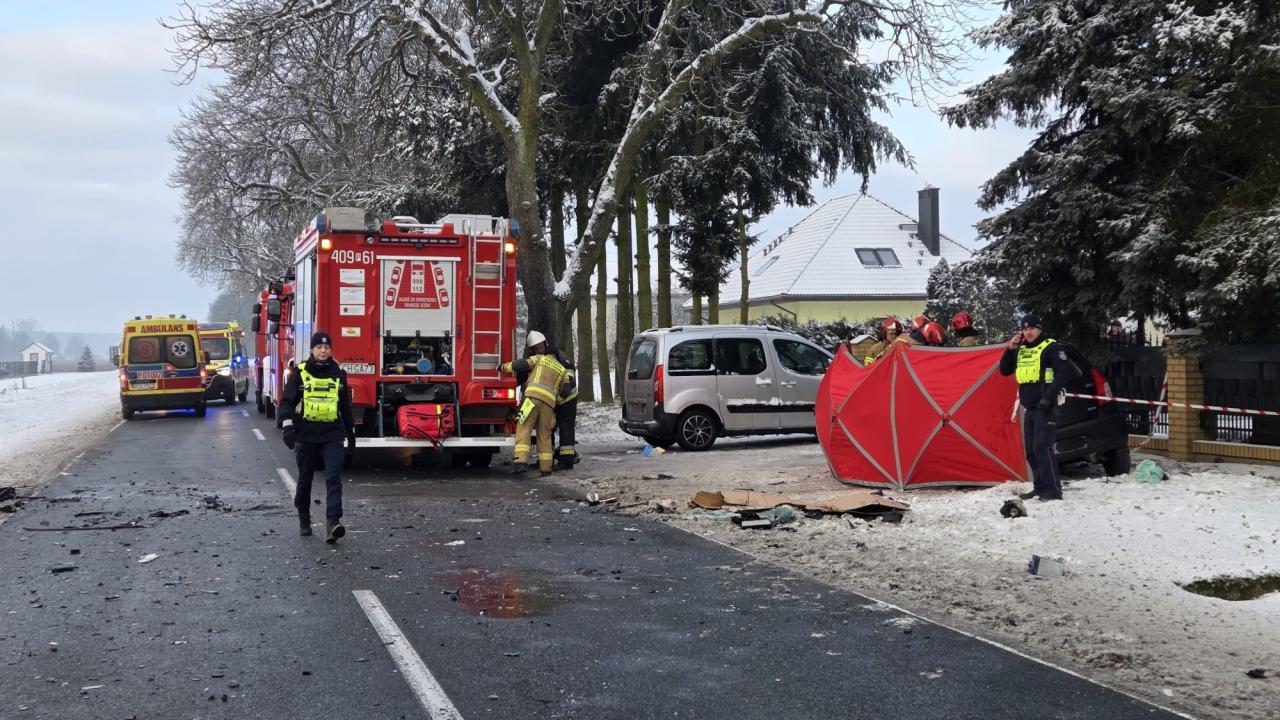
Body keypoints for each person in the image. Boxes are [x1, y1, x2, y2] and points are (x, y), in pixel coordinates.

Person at [280, 332, 355, 542]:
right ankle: (304, 518)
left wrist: (351, 435)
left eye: (327, 347)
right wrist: (287, 427)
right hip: (306, 435)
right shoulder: (300, 373)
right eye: (319, 347)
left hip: (332, 434)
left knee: (333, 478)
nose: (323, 351)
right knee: (305, 479)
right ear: (312, 350)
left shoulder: (338, 373)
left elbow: (345, 407)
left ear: (331, 350)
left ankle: (333, 523)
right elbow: (287, 402)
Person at [999, 315, 1073, 502]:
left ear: (1039, 329)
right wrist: (1010, 349)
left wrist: (1048, 398)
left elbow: (1064, 374)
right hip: (1030, 406)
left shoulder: (1051, 347)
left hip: (1045, 406)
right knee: (1031, 451)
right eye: (1025, 329)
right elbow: (1005, 370)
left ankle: (1053, 490)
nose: (1028, 332)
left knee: (1042, 447)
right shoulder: (1022, 349)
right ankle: (1040, 488)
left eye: (1032, 328)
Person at [501, 330, 572, 476]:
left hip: (531, 399)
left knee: (523, 427)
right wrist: (556, 402)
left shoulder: (538, 359)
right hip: (548, 405)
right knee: (545, 435)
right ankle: (546, 469)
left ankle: (520, 462)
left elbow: (520, 365)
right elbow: (566, 390)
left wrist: (502, 367)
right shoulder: (562, 369)